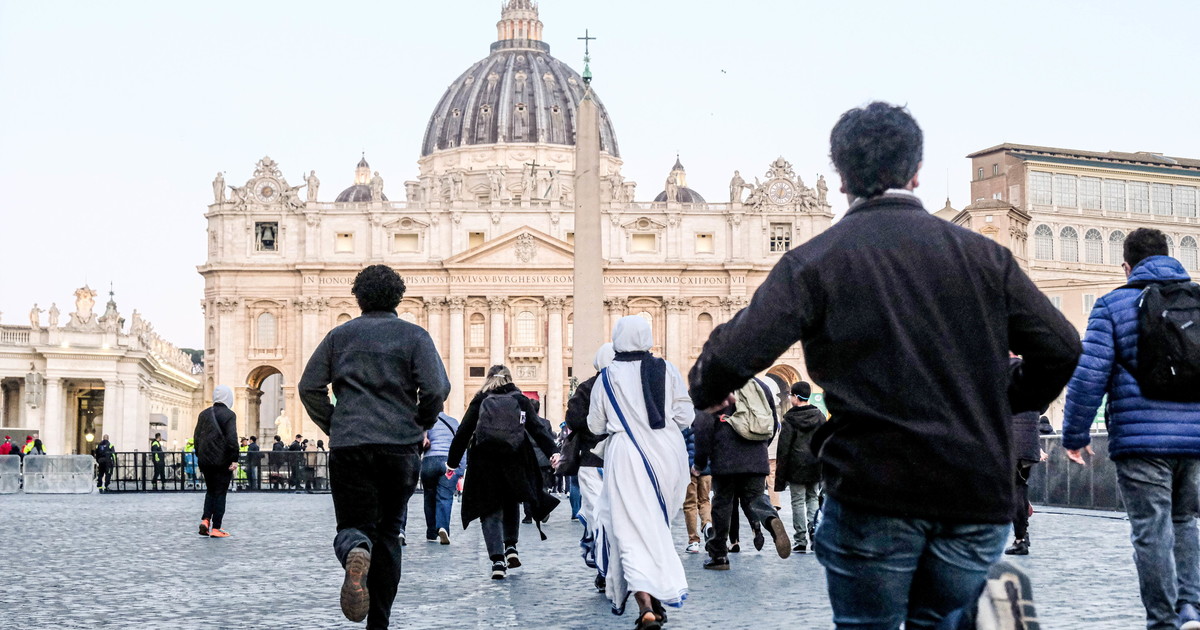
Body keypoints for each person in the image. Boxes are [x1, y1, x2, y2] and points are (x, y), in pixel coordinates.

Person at [688, 101, 1081, 629]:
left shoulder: (815, 261)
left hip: (874, 487)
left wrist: (711, 389)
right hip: (973, 487)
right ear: (916, 172)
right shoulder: (984, 258)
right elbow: (1061, 347)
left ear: (841, 177)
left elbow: (729, 355)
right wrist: (1002, 394)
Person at [1062, 227, 1200, 630]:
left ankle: (1162, 621)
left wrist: (1075, 435)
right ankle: (1191, 608)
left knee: (1150, 529)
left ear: (1127, 265)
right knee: (1185, 521)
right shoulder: (1197, 301)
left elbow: (1089, 377)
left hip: (1141, 442)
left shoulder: (1113, 305)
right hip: (1194, 440)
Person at [299, 264, 450, 628]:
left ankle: (354, 549)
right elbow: (437, 389)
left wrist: (334, 423)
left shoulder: (339, 336)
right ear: (398, 296)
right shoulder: (415, 337)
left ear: (358, 297)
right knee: (389, 534)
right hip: (399, 448)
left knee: (353, 525)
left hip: (350, 445)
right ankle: (378, 623)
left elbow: (308, 387)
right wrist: (419, 422)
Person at [588, 316, 694, 628]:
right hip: (667, 455)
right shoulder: (668, 370)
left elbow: (595, 425)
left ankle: (646, 605)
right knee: (655, 528)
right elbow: (686, 415)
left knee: (629, 532)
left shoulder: (607, 377)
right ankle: (660, 593)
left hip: (628, 457)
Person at [446, 365, 559, 580]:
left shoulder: (480, 399)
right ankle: (511, 547)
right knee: (511, 503)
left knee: (489, 509)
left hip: (484, 462)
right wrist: (553, 452)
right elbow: (538, 429)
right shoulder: (520, 399)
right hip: (515, 460)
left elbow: (463, 432)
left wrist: (452, 463)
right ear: (509, 378)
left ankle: (497, 561)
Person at [693, 387, 790, 571]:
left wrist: (700, 462)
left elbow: (703, 426)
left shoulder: (715, 386)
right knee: (756, 496)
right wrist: (759, 447)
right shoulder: (761, 387)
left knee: (722, 502)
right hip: (756, 453)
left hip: (725, 455)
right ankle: (770, 519)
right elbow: (772, 422)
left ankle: (719, 555)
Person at [563, 343, 616, 590]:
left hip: (591, 461)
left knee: (598, 515)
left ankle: (604, 565)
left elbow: (572, 420)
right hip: (622, 461)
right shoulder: (627, 387)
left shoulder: (587, 387)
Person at [774, 381, 825, 553]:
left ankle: (800, 539)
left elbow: (784, 449)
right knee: (813, 499)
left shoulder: (790, 418)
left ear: (796, 397)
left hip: (796, 467)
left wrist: (781, 474)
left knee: (797, 501)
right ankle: (815, 531)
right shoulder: (819, 416)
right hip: (815, 465)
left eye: (790, 395)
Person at [194, 385, 239, 538]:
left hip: (205, 461)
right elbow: (232, 439)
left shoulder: (203, 414)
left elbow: (196, 438)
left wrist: (200, 457)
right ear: (228, 397)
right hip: (222, 461)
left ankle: (205, 520)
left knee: (210, 491)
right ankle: (216, 527)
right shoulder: (229, 415)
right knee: (220, 493)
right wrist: (234, 459)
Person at [420, 411, 462, 544]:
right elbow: (462, 443)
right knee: (445, 496)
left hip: (429, 461)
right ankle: (443, 527)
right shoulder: (453, 422)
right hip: (448, 462)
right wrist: (460, 468)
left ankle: (431, 532)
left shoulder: (426, 421)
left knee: (429, 496)